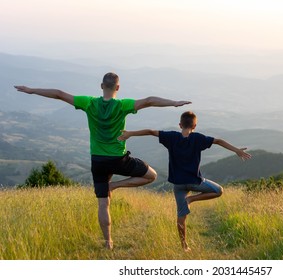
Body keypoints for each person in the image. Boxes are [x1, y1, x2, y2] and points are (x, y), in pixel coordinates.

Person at [14, 72, 191, 249]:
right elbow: (149, 100)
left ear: (101, 86)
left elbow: (59, 94)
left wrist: (31, 90)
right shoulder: (122, 105)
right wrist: (174, 103)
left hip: (98, 160)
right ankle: (115, 185)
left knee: (103, 203)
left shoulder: (89, 102)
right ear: (118, 87)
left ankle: (108, 242)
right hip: (119, 159)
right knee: (151, 175)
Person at [118, 111, 251, 252]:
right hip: (195, 182)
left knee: (181, 217)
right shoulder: (198, 139)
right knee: (218, 191)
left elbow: (151, 131)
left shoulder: (172, 137)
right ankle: (191, 199)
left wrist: (130, 133)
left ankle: (184, 246)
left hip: (179, 184)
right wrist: (236, 150)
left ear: (180, 124)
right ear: (195, 126)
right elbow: (218, 141)